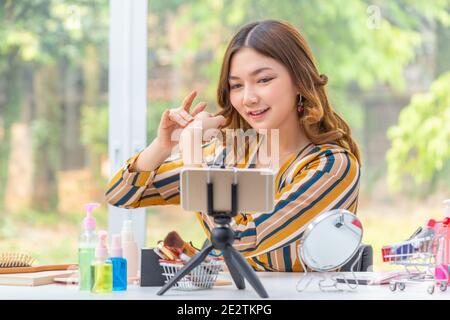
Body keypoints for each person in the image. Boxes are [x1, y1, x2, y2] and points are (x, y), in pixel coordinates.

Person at [105, 19, 361, 272]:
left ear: (298, 81)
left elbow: (240, 239)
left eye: (264, 80)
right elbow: (120, 194)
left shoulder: (333, 167)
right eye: (236, 85)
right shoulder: (230, 155)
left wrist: (194, 154)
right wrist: (163, 144)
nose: (248, 98)